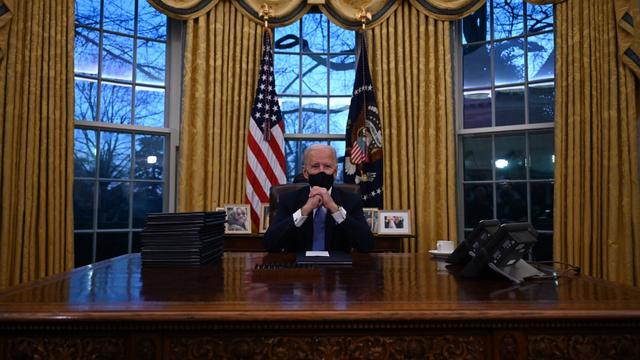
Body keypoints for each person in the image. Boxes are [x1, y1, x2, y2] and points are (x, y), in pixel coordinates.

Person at [263, 144, 374, 252]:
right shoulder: (288, 200)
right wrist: (305, 210)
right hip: (299, 268)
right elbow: (270, 244)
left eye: (327, 166)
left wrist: (334, 208)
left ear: (335, 172)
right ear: (306, 173)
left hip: (337, 268)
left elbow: (367, 245)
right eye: (315, 166)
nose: (321, 171)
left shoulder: (351, 200)